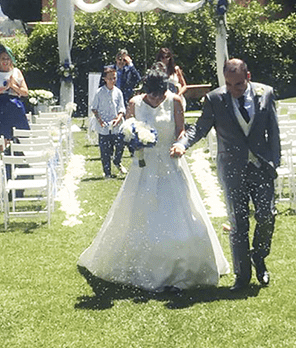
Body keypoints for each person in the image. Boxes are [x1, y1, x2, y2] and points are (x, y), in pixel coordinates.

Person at [79, 68, 230, 291]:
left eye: (159, 94)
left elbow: (180, 131)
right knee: (139, 213)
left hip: (170, 163)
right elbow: (127, 130)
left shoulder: (175, 101)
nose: (156, 99)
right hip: (144, 165)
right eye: (152, 95)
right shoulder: (134, 103)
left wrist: (180, 145)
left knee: (180, 212)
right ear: (145, 91)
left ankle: (181, 264)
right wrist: (134, 141)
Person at [172, 58, 280, 291]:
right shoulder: (215, 99)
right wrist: (183, 144)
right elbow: (199, 128)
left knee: (267, 216)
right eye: (228, 85)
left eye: (238, 85)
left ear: (248, 78)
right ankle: (242, 276)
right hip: (233, 170)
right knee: (238, 224)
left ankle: (259, 257)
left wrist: (274, 163)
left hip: (261, 168)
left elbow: (274, 131)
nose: (233, 90)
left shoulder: (266, 94)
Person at [90, 67, 127, 178]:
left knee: (120, 145)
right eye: (110, 78)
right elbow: (94, 108)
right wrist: (100, 121)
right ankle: (107, 173)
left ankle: (117, 161)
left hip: (117, 125)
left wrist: (119, 118)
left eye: (114, 78)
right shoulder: (99, 92)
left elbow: (121, 108)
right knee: (105, 150)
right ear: (105, 79)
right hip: (104, 126)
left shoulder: (118, 92)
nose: (112, 80)